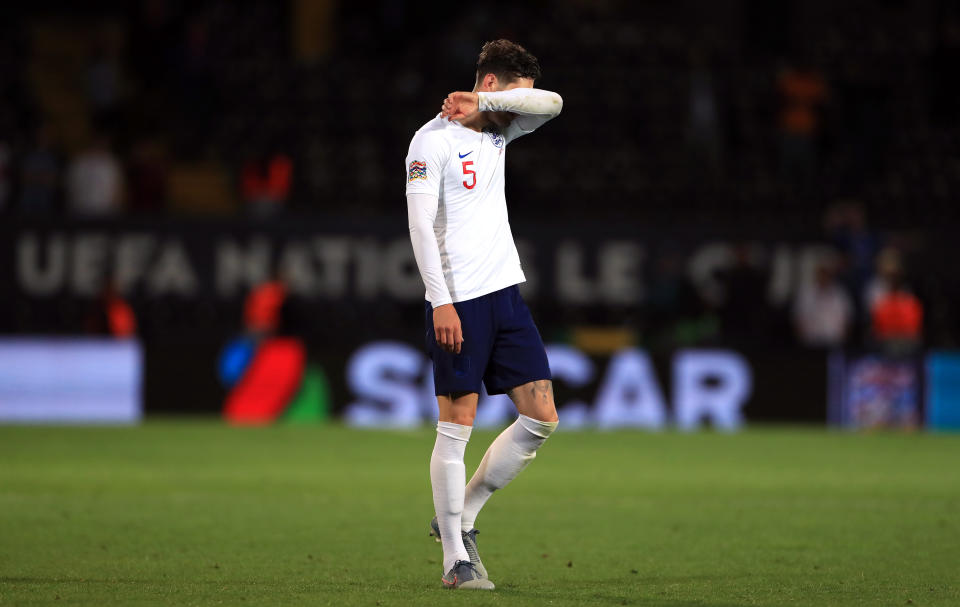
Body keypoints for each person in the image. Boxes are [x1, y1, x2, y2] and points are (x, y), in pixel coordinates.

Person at [405, 39, 562, 590]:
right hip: (459, 298)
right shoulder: (431, 141)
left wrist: (493, 106)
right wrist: (439, 299)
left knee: (541, 415)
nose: (523, 108)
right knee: (456, 427)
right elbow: (421, 227)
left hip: (505, 293)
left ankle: (463, 516)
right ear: (489, 83)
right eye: (513, 96)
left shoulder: (500, 127)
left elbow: (554, 104)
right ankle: (455, 558)